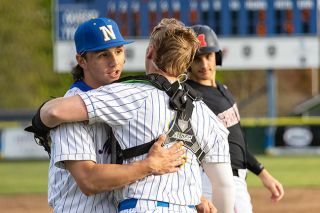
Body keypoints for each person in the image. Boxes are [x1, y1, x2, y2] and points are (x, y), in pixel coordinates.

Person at [31, 18, 235, 212]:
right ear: (81, 60)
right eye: (103, 55)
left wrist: (191, 195)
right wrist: (148, 166)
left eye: (118, 51)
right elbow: (88, 180)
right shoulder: (70, 110)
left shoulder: (124, 97)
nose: (114, 62)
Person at [187, 24, 285, 212]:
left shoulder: (223, 90)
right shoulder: (190, 95)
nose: (204, 64)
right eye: (197, 59)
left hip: (236, 179)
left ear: (217, 55)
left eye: (208, 56)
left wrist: (264, 174)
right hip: (212, 179)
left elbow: (237, 142)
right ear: (188, 62)